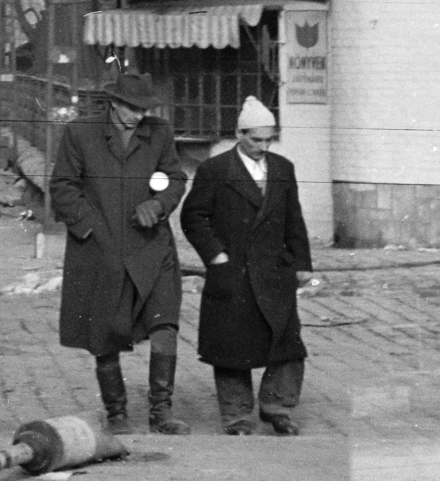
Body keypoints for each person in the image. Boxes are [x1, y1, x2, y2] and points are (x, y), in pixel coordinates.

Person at [50, 72, 191, 436]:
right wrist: (90, 229)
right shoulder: (80, 133)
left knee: (165, 324)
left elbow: (175, 179)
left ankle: (161, 412)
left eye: (144, 109)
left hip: (151, 248)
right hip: (101, 250)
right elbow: (63, 186)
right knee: (105, 331)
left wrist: (158, 205)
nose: (137, 115)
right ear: (113, 102)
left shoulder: (159, 133)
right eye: (130, 107)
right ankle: (116, 412)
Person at [180, 97, 313, 436]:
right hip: (233, 271)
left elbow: (293, 218)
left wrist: (302, 263)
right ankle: (237, 415)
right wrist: (216, 256)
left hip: (273, 271)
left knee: (286, 341)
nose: (262, 146)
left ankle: (277, 407)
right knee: (232, 344)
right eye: (255, 139)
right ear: (239, 134)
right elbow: (193, 217)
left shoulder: (283, 169)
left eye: (269, 139)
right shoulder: (216, 170)